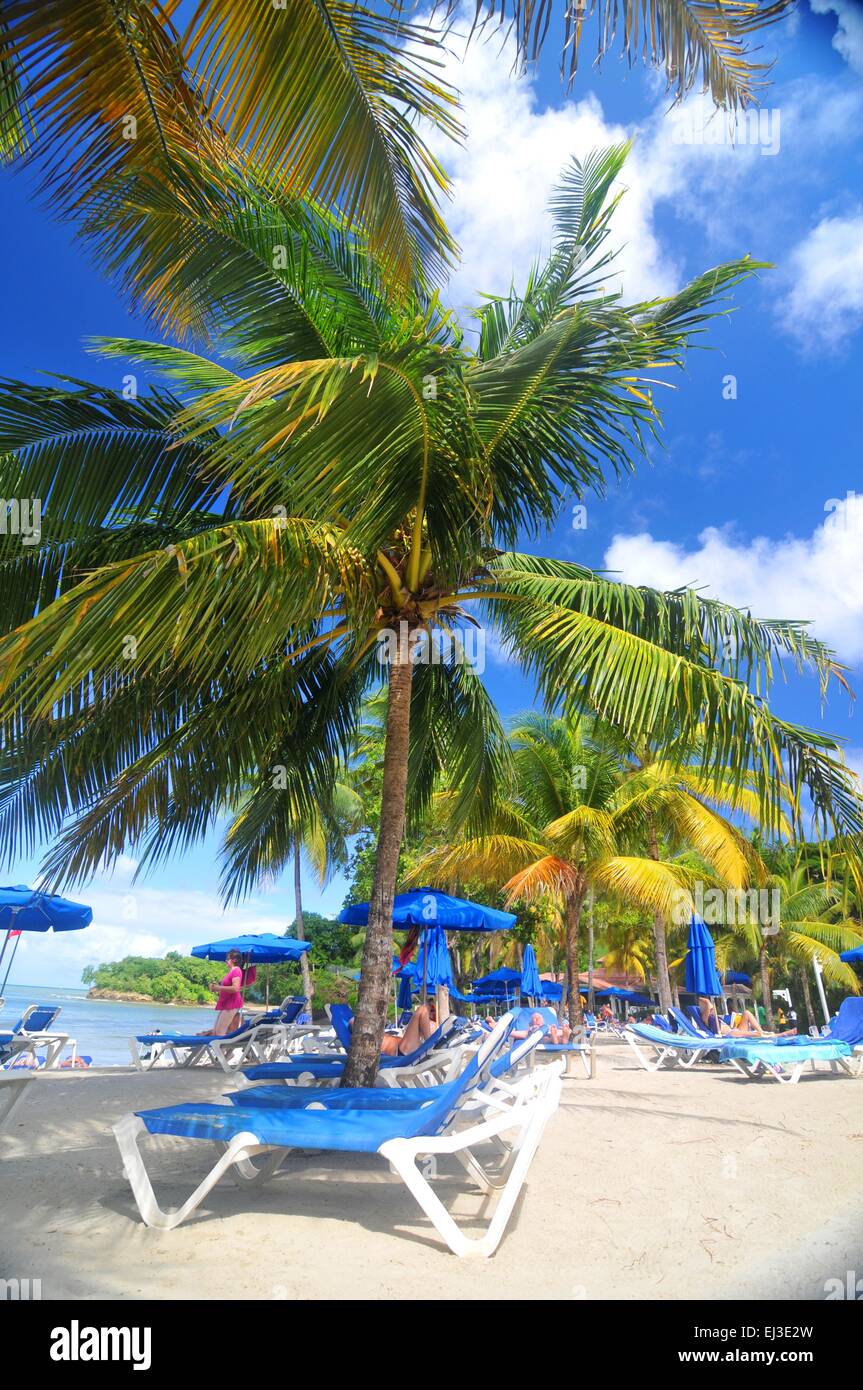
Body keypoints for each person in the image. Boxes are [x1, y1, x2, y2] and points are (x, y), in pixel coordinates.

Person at [199, 949, 246, 1036]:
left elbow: (236, 988)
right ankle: (221, 1048)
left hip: (232, 1004)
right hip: (228, 1004)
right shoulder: (232, 971)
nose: (226, 961)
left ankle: (221, 1049)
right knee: (216, 1031)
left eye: (228, 959)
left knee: (220, 1032)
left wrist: (218, 988)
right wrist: (217, 987)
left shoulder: (236, 970)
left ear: (234, 960)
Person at [698, 997, 766, 1037]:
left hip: (735, 1030)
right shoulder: (706, 1018)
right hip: (729, 1035)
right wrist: (706, 1001)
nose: (713, 1009)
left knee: (746, 1013)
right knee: (756, 1034)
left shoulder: (715, 1017)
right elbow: (706, 1005)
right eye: (711, 1009)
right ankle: (764, 1034)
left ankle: (761, 1031)